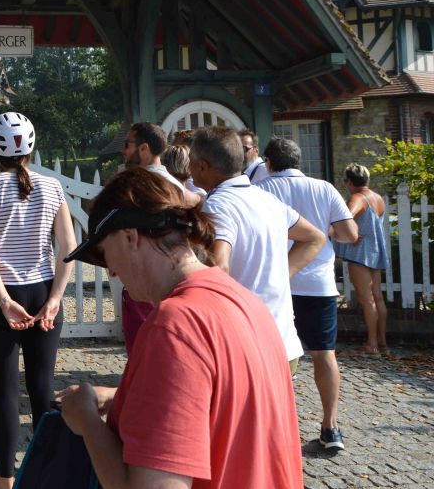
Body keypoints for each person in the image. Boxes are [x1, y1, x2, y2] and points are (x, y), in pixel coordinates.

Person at [58, 167, 303, 489]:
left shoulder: (174, 325)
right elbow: (224, 405)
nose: (112, 273)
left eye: (105, 255)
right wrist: (128, 398)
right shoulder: (245, 302)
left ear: (130, 237)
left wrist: (87, 422)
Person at [0, 112, 76, 489]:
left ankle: (5, 484)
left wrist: (2, 299)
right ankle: (45, 477)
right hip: (44, 288)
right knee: (43, 387)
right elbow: (68, 247)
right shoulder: (52, 187)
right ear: (32, 145)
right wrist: (54, 300)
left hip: (4, 295)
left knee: (4, 393)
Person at [190, 126, 325, 370]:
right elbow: (314, 238)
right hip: (283, 341)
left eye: (191, 162)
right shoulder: (267, 199)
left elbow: (218, 267)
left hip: (246, 344)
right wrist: (281, 273)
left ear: (201, 165)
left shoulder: (218, 205)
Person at [257, 137, 358, 451]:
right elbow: (350, 234)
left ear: (268, 162)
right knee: (323, 353)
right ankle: (331, 427)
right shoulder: (324, 188)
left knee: (272, 358)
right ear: (299, 161)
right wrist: (323, 231)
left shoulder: (260, 190)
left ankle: (275, 429)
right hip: (318, 284)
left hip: (276, 284)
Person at [121, 123, 198, 353]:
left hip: (142, 283)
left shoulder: (134, 186)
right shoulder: (179, 187)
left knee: (142, 356)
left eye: (127, 145)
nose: (123, 151)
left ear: (144, 149)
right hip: (175, 281)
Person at [336, 163, 390, 354]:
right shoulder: (378, 198)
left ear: (349, 182)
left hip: (360, 253)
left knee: (367, 300)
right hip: (376, 251)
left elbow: (346, 218)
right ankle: (382, 343)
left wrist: (350, 232)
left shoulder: (357, 198)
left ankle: (371, 345)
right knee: (378, 298)